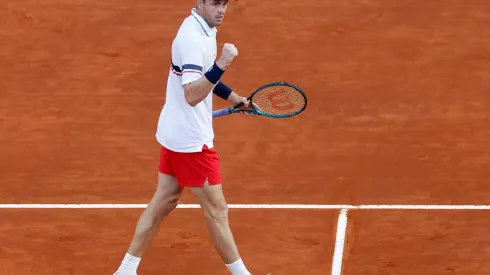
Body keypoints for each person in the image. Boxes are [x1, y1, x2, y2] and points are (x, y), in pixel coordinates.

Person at [113, 0, 254, 274]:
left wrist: (232, 96)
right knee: (217, 210)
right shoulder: (192, 39)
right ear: (199, 3)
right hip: (191, 141)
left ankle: (125, 270)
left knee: (165, 199)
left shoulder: (204, 29)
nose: (221, 9)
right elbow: (191, 94)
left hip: (175, 131)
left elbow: (203, 76)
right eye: (215, 3)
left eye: (224, 3)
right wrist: (222, 63)